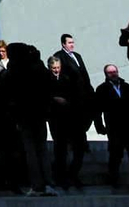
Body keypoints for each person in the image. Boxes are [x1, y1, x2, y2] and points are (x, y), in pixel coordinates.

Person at [94, 63, 129, 194]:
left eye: (115, 71)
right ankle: (113, 178)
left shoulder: (127, 87)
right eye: (110, 72)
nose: (114, 74)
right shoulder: (102, 89)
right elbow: (97, 110)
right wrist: (100, 126)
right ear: (106, 74)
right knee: (115, 155)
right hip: (115, 128)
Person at [11, 43, 54, 195]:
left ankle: (37, 185)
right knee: (42, 149)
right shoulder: (39, 67)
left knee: (31, 151)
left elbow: (13, 93)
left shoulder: (16, 69)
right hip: (40, 113)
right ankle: (48, 183)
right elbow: (49, 86)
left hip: (25, 114)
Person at [50, 34, 93, 189]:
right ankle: (63, 177)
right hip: (69, 106)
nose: (72, 45)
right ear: (63, 44)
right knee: (63, 147)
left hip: (81, 101)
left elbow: (84, 74)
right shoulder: (59, 57)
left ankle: (72, 174)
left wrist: (89, 91)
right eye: (69, 43)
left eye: (73, 42)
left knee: (79, 144)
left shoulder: (78, 56)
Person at [44, 55, 81, 191]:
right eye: (54, 68)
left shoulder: (66, 78)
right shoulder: (46, 79)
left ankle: (70, 175)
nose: (56, 70)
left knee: (72, 147)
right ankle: (60, 176)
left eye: (58, 68)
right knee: (60, 148)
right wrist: (55, 99)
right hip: (55, 117)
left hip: (68, 116)